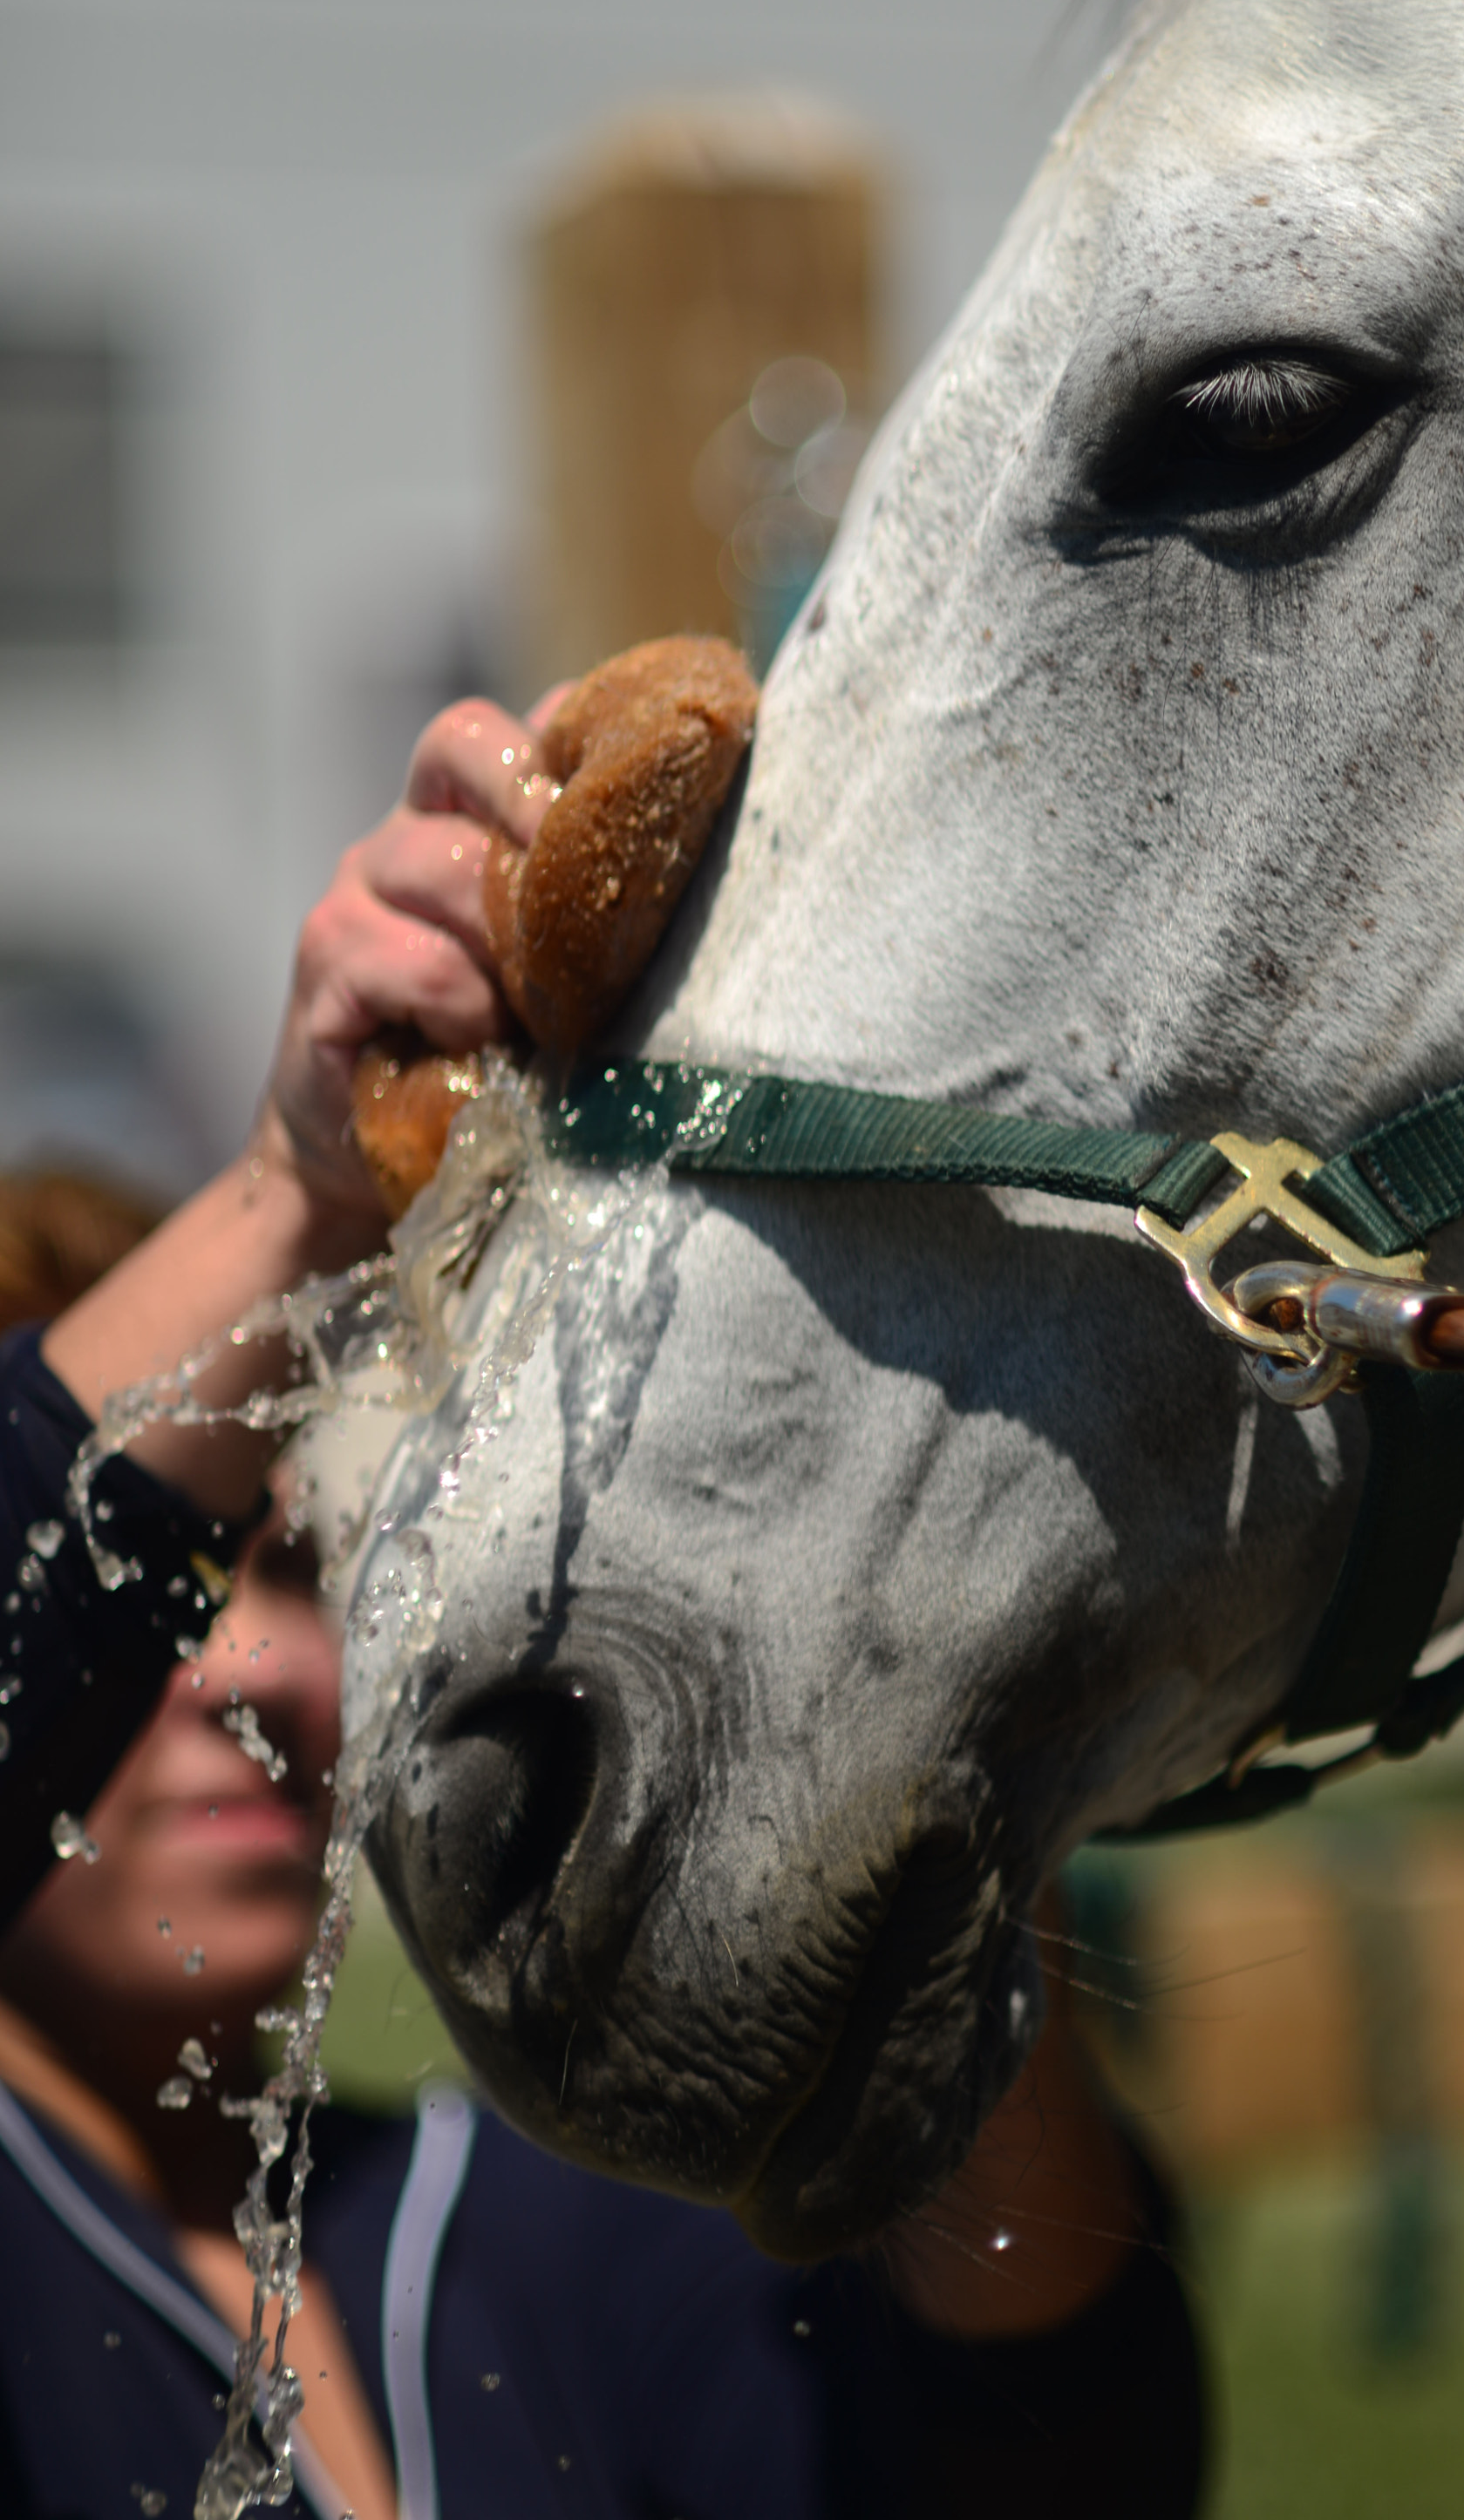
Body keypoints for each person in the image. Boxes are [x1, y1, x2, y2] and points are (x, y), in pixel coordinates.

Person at [0, 697, 1209, 2516]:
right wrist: (287, 1205)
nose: (253, 1671)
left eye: (298, 1570)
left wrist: (931, 1718)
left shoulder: (506, 2235)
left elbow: (1038, 2460)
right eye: (159, 1597)